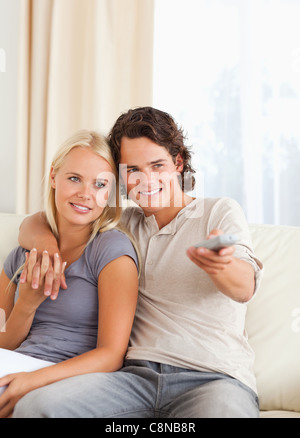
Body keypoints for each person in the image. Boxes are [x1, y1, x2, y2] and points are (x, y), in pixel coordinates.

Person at [13, 107, 263, 418]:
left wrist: (222, 267)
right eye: (132, 170)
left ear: (178, 164)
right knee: (35, 408)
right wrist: (47, 249)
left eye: (157, 165)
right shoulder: (121, 224)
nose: (146, 180)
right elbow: (35, 223)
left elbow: (244, 287)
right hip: (133, 380)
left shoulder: (218, 212)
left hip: (213, 379)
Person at [0, 130, 139, 418]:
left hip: (65, 379)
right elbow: (3, 342)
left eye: (100, 184)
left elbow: (112, 355)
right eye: (74, 178)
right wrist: (26, 305)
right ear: (54, 177)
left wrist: (34, 380)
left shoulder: (111, 251)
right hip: (15, 363)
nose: (85, 194)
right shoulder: (20, 255)